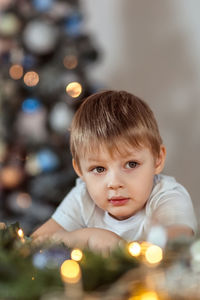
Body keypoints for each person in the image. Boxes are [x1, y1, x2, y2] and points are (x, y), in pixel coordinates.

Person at [31, 90, 197, 252]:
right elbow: (32, 244)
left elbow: (178, 238)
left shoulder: (167, 195)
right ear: (80, 170)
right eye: (99, 169)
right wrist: (89, 238)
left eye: (131, 164)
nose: (115, 183)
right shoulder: (83, 197)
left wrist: (151, 241)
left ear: (158, 159)